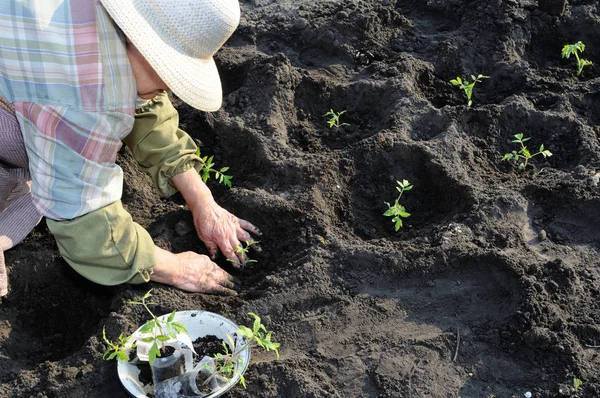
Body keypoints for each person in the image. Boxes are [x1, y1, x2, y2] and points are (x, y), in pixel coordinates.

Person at [0, 0, 259, 297]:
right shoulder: (88, 91)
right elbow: (86, 223)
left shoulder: (107, 24)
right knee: (48, 172)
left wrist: (202, 201)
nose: (170, 89)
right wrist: (177, 268)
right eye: (171, 72)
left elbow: (145, 104)